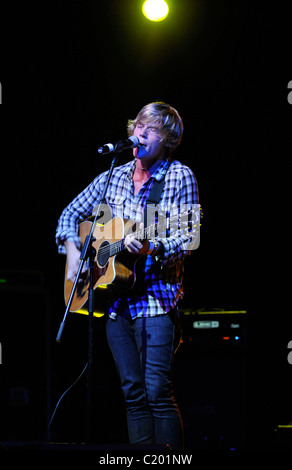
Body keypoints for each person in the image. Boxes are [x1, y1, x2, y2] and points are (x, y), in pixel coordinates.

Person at [55, 101, 199, 449]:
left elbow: (189, 235)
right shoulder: (114, 176)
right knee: (132, 394)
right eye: (139, 126)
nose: (141, 133)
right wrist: (75, 254)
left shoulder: (178, 176)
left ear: (168, 140)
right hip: (116, 303)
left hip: (156, 301)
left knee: (156, 394)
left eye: (152, 130)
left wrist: (153, 247)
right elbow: (69, 214)